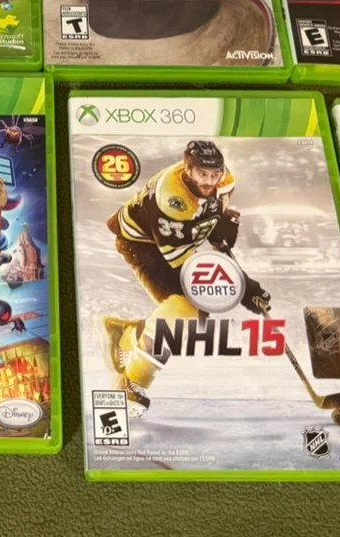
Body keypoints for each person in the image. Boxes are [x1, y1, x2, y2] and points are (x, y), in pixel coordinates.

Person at [101, 139, 269, 409]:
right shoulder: (172, 199)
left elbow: (212, 209)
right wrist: (244, 287)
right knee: (184, 309)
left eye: (214, 174)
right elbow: (187, 268)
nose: (209, 181)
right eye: (202, 174)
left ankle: (125, 334)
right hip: (142, 245)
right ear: (187, 169)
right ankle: (131, 381)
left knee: (196, 316)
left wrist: (218, 224)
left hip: (174, 238)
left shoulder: (225, 181)